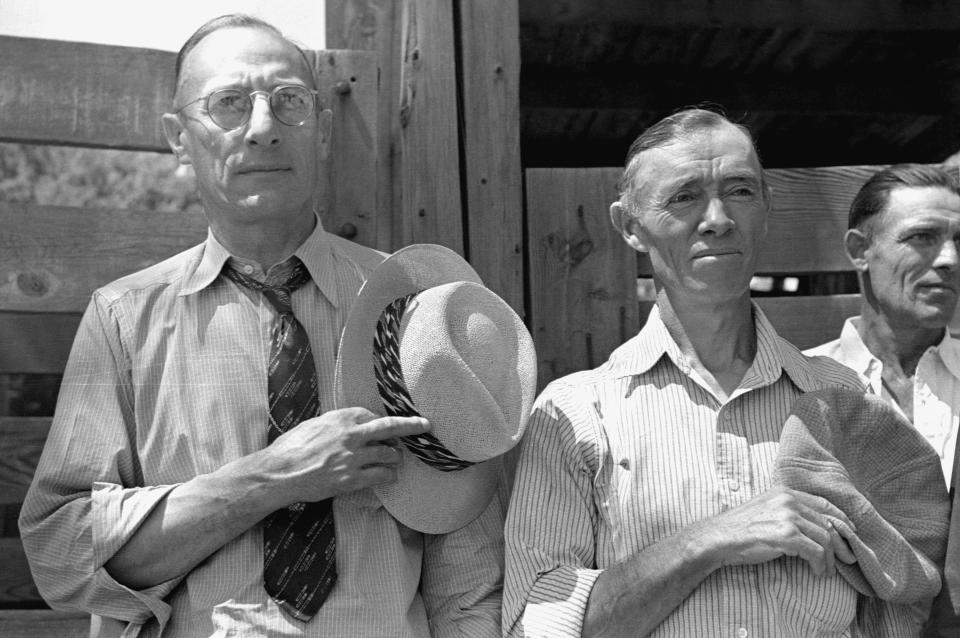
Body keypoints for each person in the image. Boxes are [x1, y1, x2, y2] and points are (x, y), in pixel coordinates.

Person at [19, 14, 503, 638]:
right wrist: (274, 477)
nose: (264, 128)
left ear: (322, 130)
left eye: (289, 101)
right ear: (177, 137)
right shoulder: (125, 320)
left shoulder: (414, 311)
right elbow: (61, 554)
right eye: (228, 103)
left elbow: (468, 580)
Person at [503, 108, 933, 637]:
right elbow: (536, 627)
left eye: (740, 191)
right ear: (629, 226)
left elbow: (893, 607)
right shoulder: (574, 413)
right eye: (684, 196)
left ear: (767, 207)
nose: (718, 218)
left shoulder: (841, 395)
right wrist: (711, 540)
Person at [804, 164, 960, 636]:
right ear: (860, 250)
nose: (951, 258)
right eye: (923, 237)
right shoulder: (800, 385)